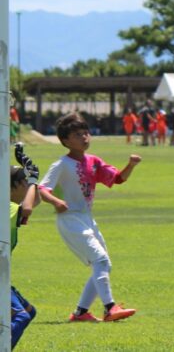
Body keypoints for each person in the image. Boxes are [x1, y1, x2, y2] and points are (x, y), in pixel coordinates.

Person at [38, 112, 141, 323]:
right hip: (70, 219)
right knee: (100, 260)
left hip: (87, 218)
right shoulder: (61, 164)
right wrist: (56, 202)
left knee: (104, 264)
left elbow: (117, 179)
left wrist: (130, 165)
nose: (84, 137)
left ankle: (80, 313)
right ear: (65, 140)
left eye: (86, 133)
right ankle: (110, 308)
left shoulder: (93, 161)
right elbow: (42, 189)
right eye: (78, 134)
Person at [10, 144, 41, 348]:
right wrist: (33, 180)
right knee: (20, 316)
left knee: (29, 312)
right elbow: (28, 208)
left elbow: (35, 201)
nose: (27, 187)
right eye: (24, 183)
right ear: (12, 187)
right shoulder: (8, 207)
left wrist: (32, 177)